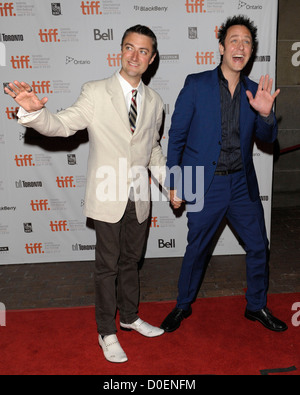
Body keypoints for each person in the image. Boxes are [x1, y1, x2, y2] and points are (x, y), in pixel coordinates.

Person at [5, 25, 166, 363]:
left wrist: (171, 185)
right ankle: (106, 331)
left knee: (131, 262)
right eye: (129, 48)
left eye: (143, 51)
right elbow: (62, 125)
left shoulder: (155, 101)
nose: (135, 56)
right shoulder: (95, 91)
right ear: (120, 51)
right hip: (107, 194)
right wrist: (35, 112)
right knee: (107, 267)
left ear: (151, 59)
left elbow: (152, 150)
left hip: (139, 197)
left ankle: (130, 316)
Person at [160, 15, 288, 333]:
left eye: (246, 41)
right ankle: (182, 305)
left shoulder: (256, 91)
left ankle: (256, 305)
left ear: (251, 51)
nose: (240, 46)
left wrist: (267, 114)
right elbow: (177, 138)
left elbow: (268, 139)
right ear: (221, 47)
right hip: (207, 184)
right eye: (234, 40)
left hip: (242, 184)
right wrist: (174, 182)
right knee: (197, 248)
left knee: (259, 245)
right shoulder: (196, 84)